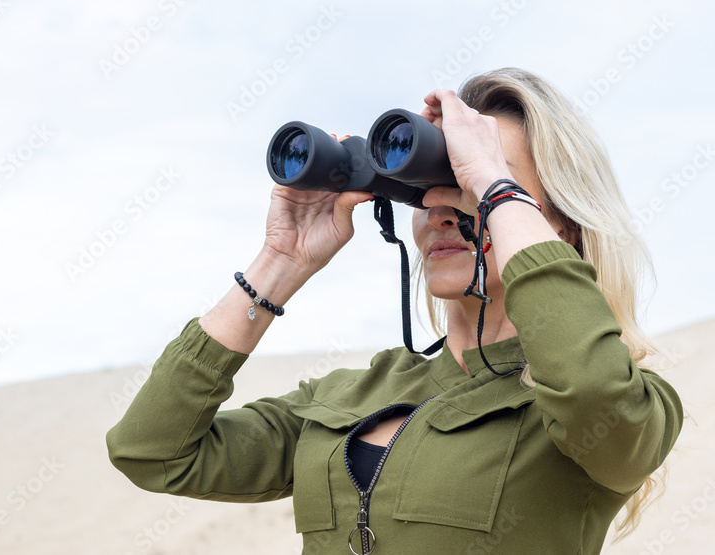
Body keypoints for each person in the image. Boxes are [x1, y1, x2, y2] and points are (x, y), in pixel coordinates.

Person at [105, 68, 683, 553]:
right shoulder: (352, 394)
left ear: (561, 225)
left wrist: (492, 184)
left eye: (472, 187)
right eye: (426, 187)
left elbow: (588, 388)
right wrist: (280, 262)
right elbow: (153, 451)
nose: (442, 209)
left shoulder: (619, 406)